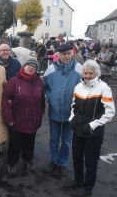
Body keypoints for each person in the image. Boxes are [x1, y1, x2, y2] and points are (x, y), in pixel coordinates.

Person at [65, 60, 115, 196]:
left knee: (90, 162)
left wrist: (93, 124)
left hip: (94, 133)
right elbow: (73, 105)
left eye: (90, 73)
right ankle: (78, 180)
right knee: (77, 158)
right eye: (85, 73)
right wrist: (72, 118)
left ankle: (88, 188)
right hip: (78, 130)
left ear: (96, 73)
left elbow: (109, 112)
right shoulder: (78, 87)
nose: (87, 75)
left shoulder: (104, 88)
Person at [43, 44, 82, 176]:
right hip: (54, 110)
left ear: (72, 54)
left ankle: (63, 163)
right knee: (54, 138)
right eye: (63, 54)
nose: (66, 56)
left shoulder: (79, 69)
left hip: (71, 112)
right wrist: (50, 97)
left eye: (68, 53)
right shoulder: (51, 69)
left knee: (66, 140)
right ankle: (53, 161)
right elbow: (45, 87)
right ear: (58, 55)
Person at [2, 57, 45, 175]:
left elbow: (42, 101)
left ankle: (28, 160)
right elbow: (6, 99)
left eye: (34, 66)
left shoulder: (39, 82)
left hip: (33, 119)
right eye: (29, 65)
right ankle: (12, 163)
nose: (31, 67)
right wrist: (9, 118)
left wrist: (40, 115)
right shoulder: (14, 81)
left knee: (29, 143)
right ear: (23, 66)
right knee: (15, 143)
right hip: (17, 119)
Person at [0, 43, 21, 154]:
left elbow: (21, 77)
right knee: (0, 121)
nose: (5, 52)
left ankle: (13, 145)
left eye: (7, 50)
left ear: (10, 51)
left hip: (13, 97)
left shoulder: (16, 63)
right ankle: (0, 143)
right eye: (3, 50)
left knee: (13, 122)